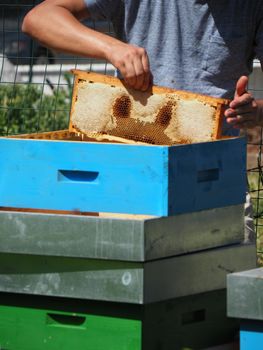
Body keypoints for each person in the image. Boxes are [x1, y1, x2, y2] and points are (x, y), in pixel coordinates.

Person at [22, 0, 263, 241]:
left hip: (216, 179)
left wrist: (256, 111)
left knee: (224, 273)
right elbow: (38, 19)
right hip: (131, 176)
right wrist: (111, 48)